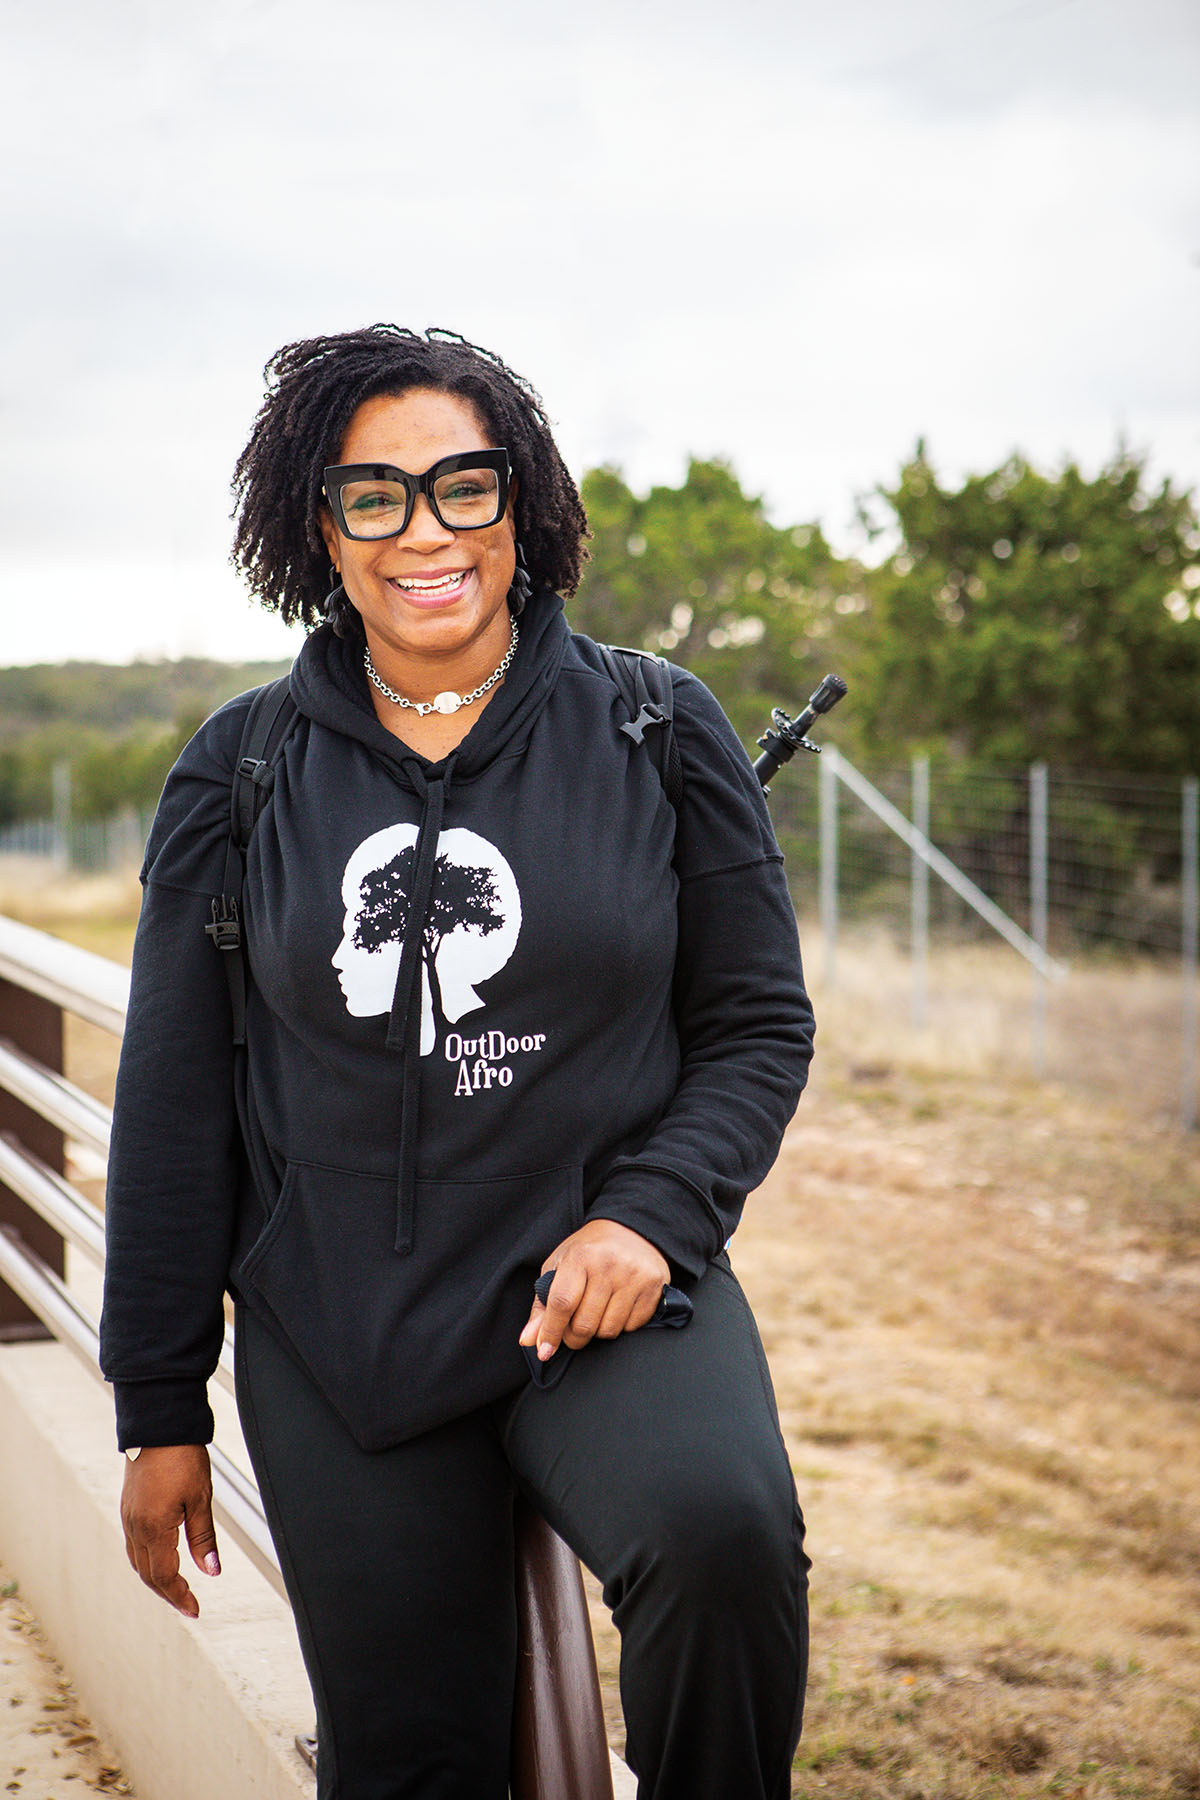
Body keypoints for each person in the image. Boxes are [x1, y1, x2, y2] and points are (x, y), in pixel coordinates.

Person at [100, 325, 815, 1800]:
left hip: (603, 1298)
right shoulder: (241, 770)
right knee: (411, 1756)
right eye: (374, 496)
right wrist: (159, 1404)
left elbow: (755, 1025)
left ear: (523, 507)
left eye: (461, 488)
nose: (424, 530)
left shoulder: (655, 725)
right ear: (320, 526)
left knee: (724, 1546)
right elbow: (173, 1097)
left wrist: (652, 1215)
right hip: (342, 1325)